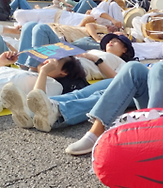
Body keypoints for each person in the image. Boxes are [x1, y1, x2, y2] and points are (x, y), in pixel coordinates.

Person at [65, 42, 163, 155]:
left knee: (161, 68)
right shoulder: (157, 67)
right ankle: (95, 132)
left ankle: (151, 136)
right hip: (155, 110)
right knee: (133, 66)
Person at [1, 34, 134, 132]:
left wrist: (96, 59)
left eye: (116, 42)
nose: (111, 42)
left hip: (72, 68)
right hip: (69, 67)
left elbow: (120, 79)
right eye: (110, 40)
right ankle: (33, 109)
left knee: (107, 90)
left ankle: (52, 110)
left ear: (125, 50)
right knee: (81, 94)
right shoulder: (93, 50)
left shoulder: (122, 63)